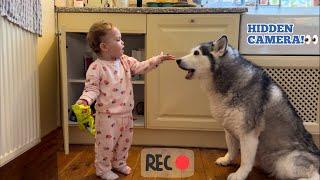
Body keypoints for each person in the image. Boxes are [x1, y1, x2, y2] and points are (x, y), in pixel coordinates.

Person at [76, 21, 175, 180]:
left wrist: (158, 59)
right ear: (104, 47)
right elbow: (91, 89)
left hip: (126, 114)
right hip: (107, 116)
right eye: (118, 39)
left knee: (124, 142)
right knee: (105, 146)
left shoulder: (125, 61)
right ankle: (103, 169)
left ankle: (119, 162)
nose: (122, 42)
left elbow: (142, 67)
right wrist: (85, 101)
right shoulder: (96, 68)